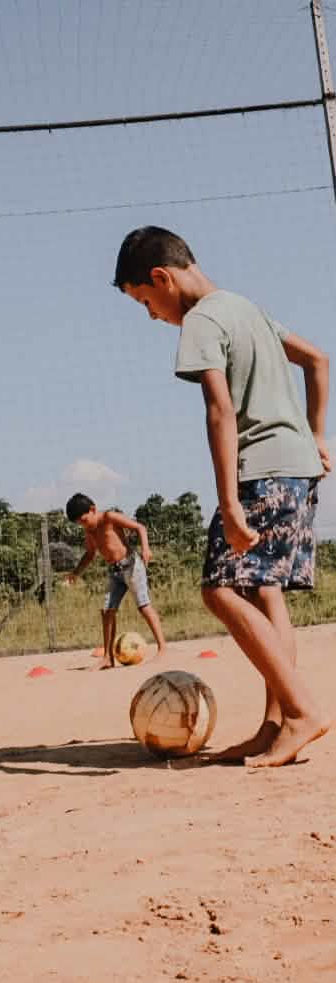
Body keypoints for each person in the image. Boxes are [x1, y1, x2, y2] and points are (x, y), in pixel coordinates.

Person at [113, 225, 331, 767]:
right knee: (265, 593)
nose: (151, 315)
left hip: (260, 471)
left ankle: (303, 711)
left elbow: (220, 410)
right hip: (297, 469)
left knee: (220, 590)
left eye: (145, 301)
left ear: (161, 278)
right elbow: (318, 360)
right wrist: (316, 436)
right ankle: (276, 726)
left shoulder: (201, 319)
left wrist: (230, 503)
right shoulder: (246, 308)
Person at [64, 493, 168, 668]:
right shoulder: (89, 531)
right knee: (107, 611)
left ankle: (163, 648)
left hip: (132, 566)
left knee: (143, 606)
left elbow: (140, 528)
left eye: (84, 520)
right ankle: (107, 657)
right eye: (79, 523)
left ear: (92, 509)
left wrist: (146, 549)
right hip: (114, 572)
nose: (83, 525)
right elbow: (90, 554)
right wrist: (75, 573)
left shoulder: (109, 517)